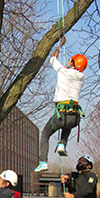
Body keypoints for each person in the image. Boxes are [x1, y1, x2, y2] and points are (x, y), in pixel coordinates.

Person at [35, 37, 87, 173]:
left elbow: (52, 59)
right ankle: (62, 144)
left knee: (45, 134)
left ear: (73, 63)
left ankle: (43, 162)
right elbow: (74, 71)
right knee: (68, 124)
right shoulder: (81, 78)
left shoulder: (63, 71)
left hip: (61, 115)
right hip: (75, 118)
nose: (68, 61)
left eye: (71, 60)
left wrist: (59, 46)